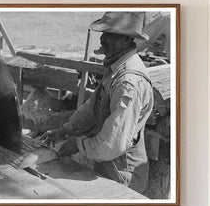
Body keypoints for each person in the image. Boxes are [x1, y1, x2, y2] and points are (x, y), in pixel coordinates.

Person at [41, 11, 154, 194]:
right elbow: (92, 110)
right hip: (109, 166)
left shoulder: (128, 82)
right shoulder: (116, 69)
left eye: (110, 34)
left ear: (127, 39)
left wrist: (77, 144)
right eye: (103, 33)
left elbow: (112, 144)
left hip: (123, 175)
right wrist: (65, 130)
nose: (102, 39)